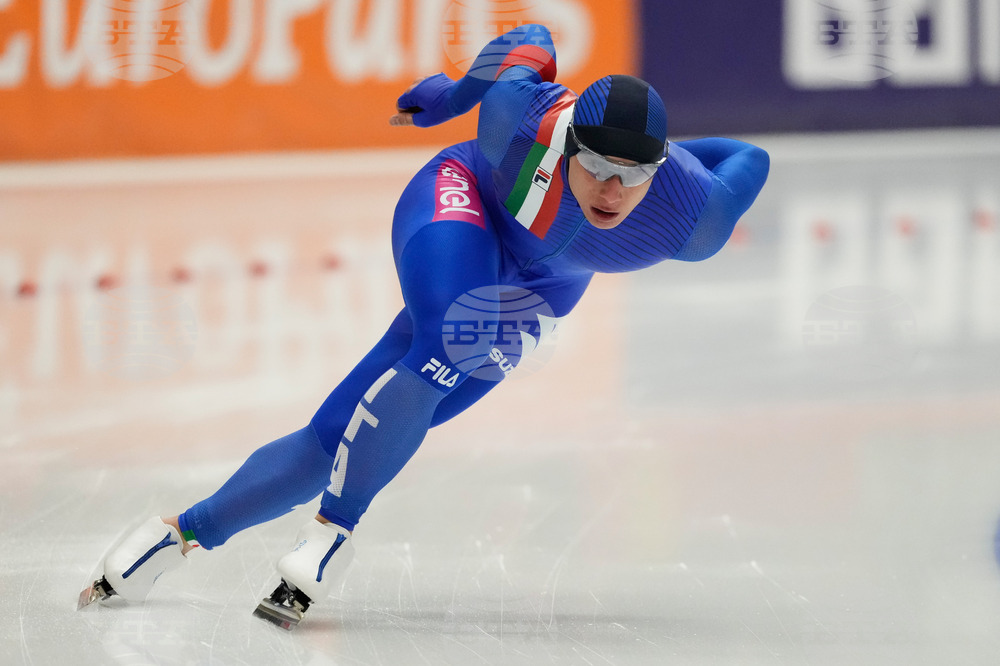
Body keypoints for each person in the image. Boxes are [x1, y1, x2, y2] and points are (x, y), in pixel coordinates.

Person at [78, 24, 770, 629]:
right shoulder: (518, 119)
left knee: (341, 438)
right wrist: (453, 95)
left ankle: (178, 534)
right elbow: (530, 41)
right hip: (463, 201)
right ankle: (331, 536)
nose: (612, 190)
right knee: (446, 343)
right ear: (566, 149)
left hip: (546, 286)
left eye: (633, 172)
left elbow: (753, 158)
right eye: (593, 165)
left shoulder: (693, 217)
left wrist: (674, 157)